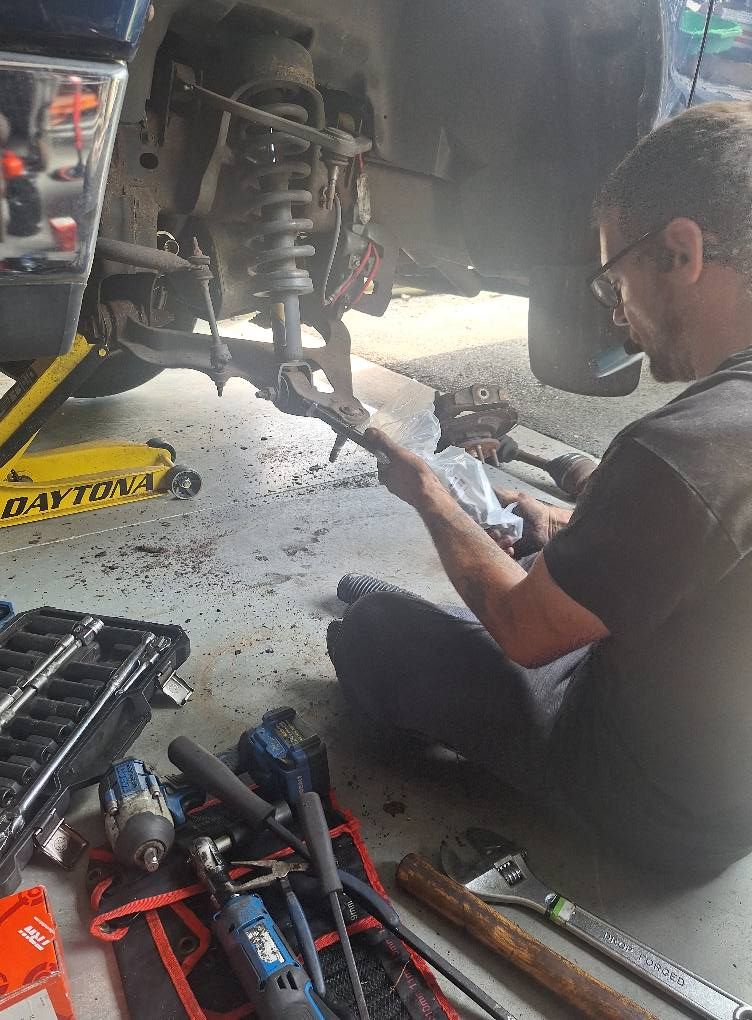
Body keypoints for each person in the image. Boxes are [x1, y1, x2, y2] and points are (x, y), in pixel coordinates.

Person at [327, 101, 752, 875]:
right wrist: (575, 515)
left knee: (370, 631)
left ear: (681, 252)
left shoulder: (682, 449)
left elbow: (526, 633)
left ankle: (399, 627)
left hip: (651, 805)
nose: (619, 316)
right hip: (726, 782)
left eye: (614, 282)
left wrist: (429, 493)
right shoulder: (718, 438)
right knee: (527, 559)